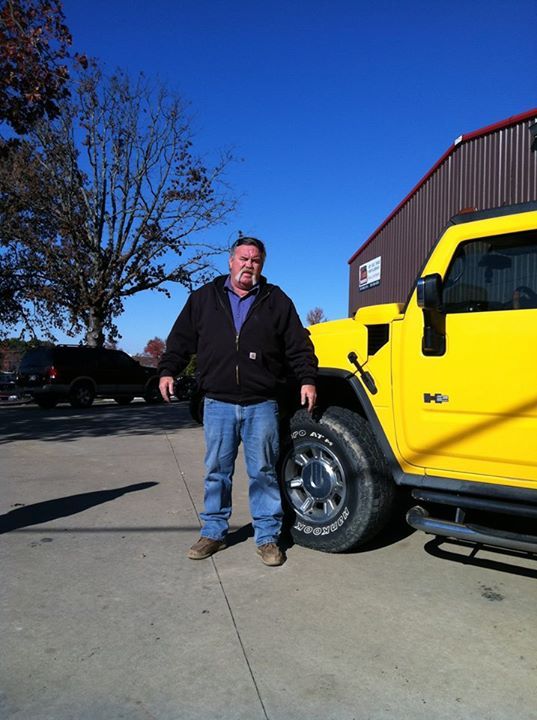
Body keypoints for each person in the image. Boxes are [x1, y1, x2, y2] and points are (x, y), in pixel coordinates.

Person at [158, 236, 317, 566]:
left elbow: (298, 346)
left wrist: (308, 379)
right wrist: (167, 370)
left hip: (262, 403)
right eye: (243, 258)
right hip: (217, 402)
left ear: (262, 265)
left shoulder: (276, 300)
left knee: (263, 472)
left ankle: (268, 537)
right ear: (230, 262)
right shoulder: (204, 298)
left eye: (256, 259)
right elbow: (180, 339)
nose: (249, 264)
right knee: (217, 471)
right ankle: (214, 532)